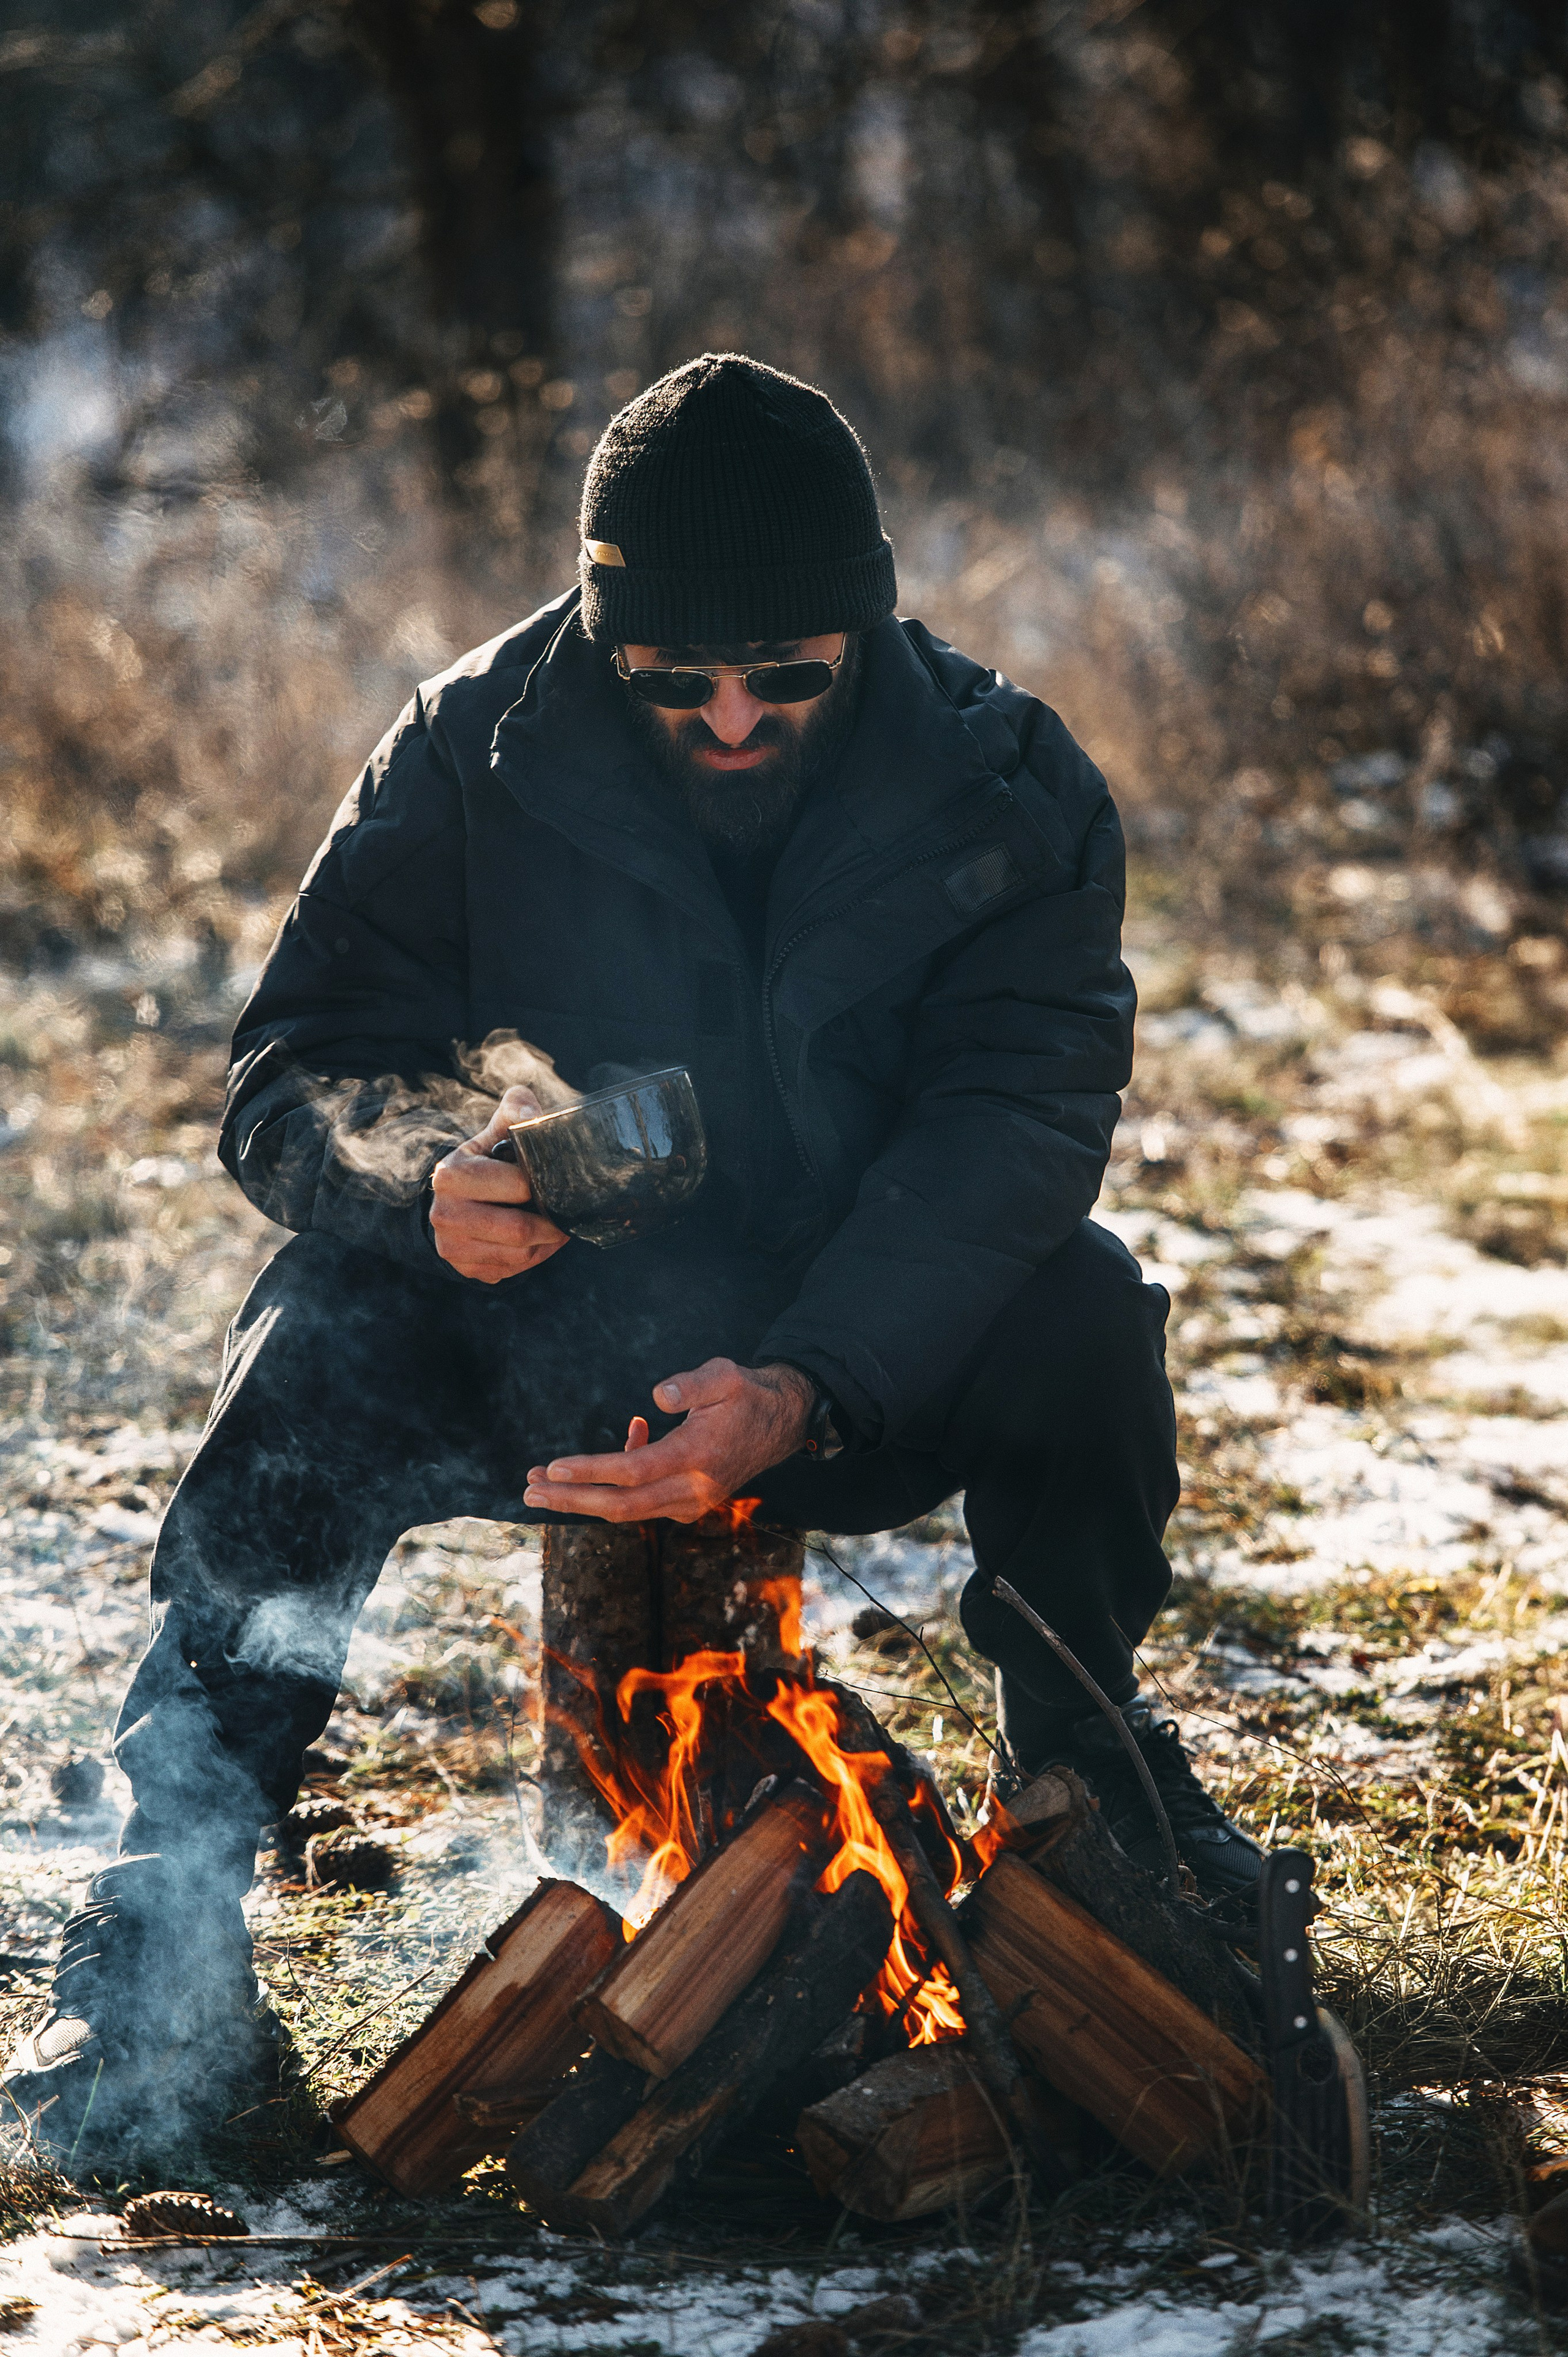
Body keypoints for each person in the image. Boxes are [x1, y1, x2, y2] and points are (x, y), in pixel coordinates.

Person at [4, 353, 1259, 2170]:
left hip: (852, 1362)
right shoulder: (468, 744)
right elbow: (291, 1072)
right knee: (312, 1335)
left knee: (1085, 1303)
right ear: (606, 637)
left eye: (787, 680)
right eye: (679, 684)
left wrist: (809, 1384)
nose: (735, 718)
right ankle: (163, 1910)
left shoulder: (1011, 783)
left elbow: (1010, 1137)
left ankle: (1093, 1776)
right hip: (553, 1339)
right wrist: (424, 1175)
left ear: (870, 624)